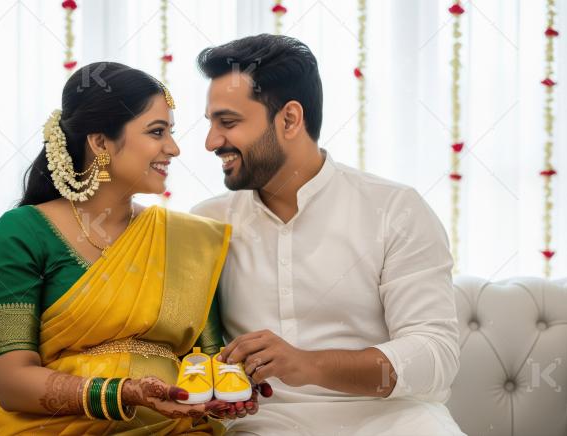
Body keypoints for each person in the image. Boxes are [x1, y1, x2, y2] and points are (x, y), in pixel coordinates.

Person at [191, 34, 466, 435]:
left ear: (289, 119)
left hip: (393, 420)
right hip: (262, 423)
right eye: (211, 123)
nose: (212, 141)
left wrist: (310, 364)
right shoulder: (206, 225)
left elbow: (435, 356)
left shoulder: (395, 210)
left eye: (228, 122)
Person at [0, 62, 263, 435]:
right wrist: (125, 394)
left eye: (171, 133)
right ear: (99, 142)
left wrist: (230, 393)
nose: (173, 148)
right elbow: (11, 383)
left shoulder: (187, 240)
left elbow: (207, 363)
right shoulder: (21, 233)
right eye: (156, 132)